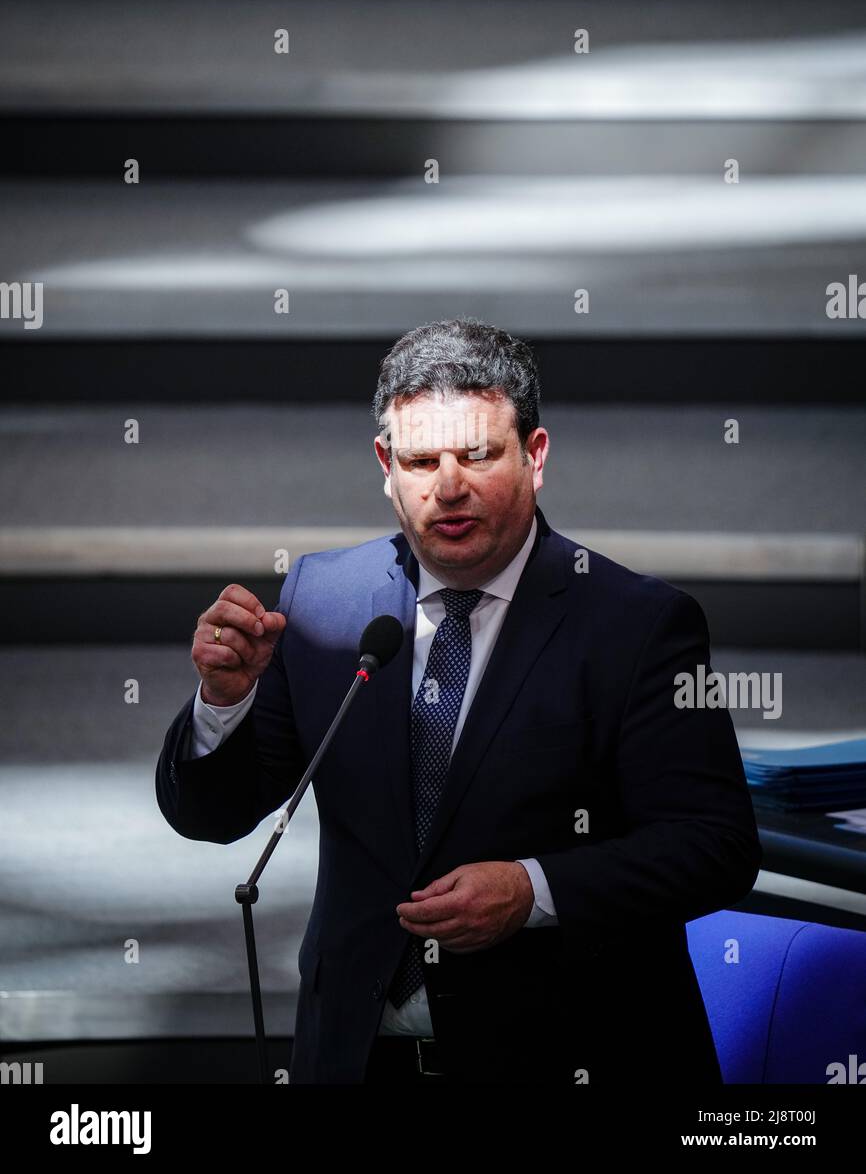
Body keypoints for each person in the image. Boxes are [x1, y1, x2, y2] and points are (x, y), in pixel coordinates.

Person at [155, 317, 761, 1085]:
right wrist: (222, 703)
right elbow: (211, 815)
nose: (448, 488)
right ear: (384, 464)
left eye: (477, 455)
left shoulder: (639, 624)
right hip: (356, 1058)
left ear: (534, 456)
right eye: (420, 460)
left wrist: (533, 889)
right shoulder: (325, 598)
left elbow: (716, 846)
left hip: (559, 1058)